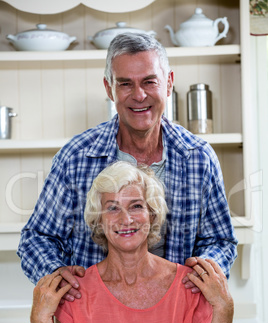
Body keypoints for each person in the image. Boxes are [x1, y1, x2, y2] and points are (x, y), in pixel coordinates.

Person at [18, 32, 237, 300]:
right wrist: (56, 273)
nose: (139, 95)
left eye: (149, 81)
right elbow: (37, 239)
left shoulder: (200, 157)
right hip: (94, 316)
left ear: (168, 83)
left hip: (175, 316)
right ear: (109, 88)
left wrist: (200, 276)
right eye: (125, 84)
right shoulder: (76, 157)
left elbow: (220, 242)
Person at [30, 162, 234, 323]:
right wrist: (40, 322)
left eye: (136, 206)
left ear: (152, 214)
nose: (126, 219)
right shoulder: (75, 293)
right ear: (99, 221)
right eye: (112, 208)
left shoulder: (189, 286)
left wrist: (224, 308)